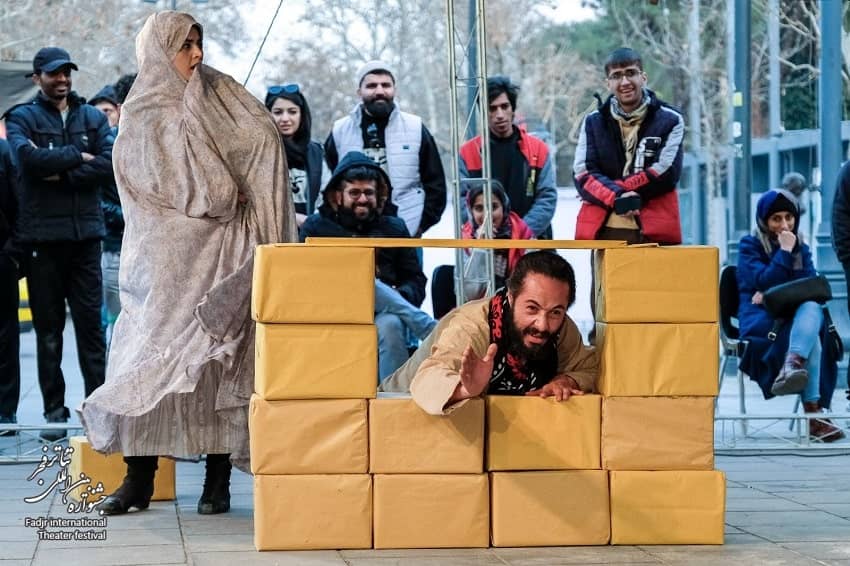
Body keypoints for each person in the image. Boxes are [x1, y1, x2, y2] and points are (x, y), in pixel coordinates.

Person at [79, 11, 296, 516]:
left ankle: (216, 480)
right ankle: (138, 478)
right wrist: (226, 184)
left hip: (219, 257)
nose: (196, 55)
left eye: (200, 43)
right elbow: (208, 191)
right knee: (143, 361)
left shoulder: (220, 97)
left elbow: (259, 146)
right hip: (160, 267)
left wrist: (242, 139)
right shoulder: (140, 115)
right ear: (159, 50)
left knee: (214, 362)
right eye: (185, 45)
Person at [3, 46, 113, 441]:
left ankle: (98, 408)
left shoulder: (92, 117)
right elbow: (26, 163)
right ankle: (54, 413)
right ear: (37, 79)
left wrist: (59, 169)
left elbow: (107, 163)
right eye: (53, 74)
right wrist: (77, 157)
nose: (62, 79)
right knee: (49, 333)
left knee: (91, 332)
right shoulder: (21, 117)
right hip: (42, 243)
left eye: (67, 72)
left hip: (86, 239)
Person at [381, 251, 598, 416]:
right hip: (395, 409)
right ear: (511, 298)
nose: (542, 325)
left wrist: (565, 381)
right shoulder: (472, 326)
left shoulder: (562, 328)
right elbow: (427, 379)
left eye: (555, 312)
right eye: (532, 308)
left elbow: (590, 367)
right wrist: (465, 388)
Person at [300, 151, 435, 380]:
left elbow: (415, 279)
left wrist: (399, 294)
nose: (362, 199)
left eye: (368, 193)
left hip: (382, 312)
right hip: (333, 310)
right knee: (359, 278)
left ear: (379, 196)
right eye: (354, 192)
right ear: (338, 196)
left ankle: (392, 399)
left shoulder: (394, 228)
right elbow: (302, 280)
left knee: (391, 325)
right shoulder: (316, 228)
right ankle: (425, 326)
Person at [738, 189, 843, 442]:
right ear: (764, 221)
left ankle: (792, 365)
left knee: (811, 307)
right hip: (762, 319)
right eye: (776, 219)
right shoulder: (749, 245)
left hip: (797, 315)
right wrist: (784, 253)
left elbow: (808, 287)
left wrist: (773, 292)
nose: (784, 225)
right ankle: (814, 417)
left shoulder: (801, 247)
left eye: (789, 217)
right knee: (812, 338)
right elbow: (761, 279)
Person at [573, 47, 684, 245]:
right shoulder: (593, 122)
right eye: (616, 76)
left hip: (656, 233)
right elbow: (583, 174)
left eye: (631, 73)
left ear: (643, 77)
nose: (625, 82)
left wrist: (620, 190)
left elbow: (666, 172)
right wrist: (618, 196)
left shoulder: (671, 119)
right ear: (608, 83)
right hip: (606, 231)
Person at [325, 60, 447, 238]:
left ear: (394, 90)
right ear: (359, 92)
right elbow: (328, 184)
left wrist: (420, 225)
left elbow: (435, 184)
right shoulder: (340, 130)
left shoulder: (415, 128)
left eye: (386, 85)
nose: (380, 91)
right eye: (372, 85)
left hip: (406, 230)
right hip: (353, 234)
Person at [458, 76, 557, 239]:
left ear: (513, 108)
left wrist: (521, 231)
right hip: (485, 241)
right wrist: (483, 228)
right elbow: (462, 201)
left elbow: (547, 197)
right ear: (483, 112)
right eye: (492, 108)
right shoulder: (468, 153)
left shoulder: (538, 149)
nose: (500, 115)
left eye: (505, 106)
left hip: (531, 241)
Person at [431, 181, 534, 318]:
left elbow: (530, 289)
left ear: (504, 208)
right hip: (476, 311)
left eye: (493, 206)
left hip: (513, 310)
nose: (487, 215)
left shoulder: (523, 234)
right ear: (471, 212)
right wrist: (480, 248)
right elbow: (469, 293)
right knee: (442, 274)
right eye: (479, 208)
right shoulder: (467, 239)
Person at [265, 84, 330, 227]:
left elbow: (326, 196)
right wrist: (293, 218)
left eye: (292, 111)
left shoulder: (316, 153)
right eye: (277, 112)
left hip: (310, 235)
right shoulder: (260, 152)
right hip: (269, 235)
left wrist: (314, 222)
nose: (285, 118)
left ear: (302, 114)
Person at [0, 138, 20, 434]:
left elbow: (19, 201)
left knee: (5, 334)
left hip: (1, 253)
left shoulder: (4, 151)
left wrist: (12, 250)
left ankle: (5, 412)